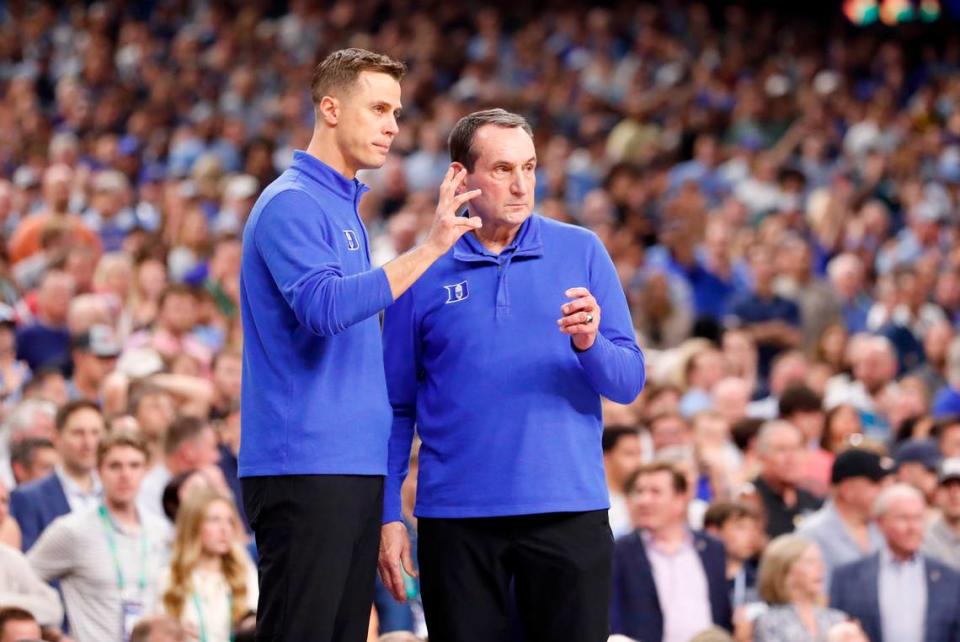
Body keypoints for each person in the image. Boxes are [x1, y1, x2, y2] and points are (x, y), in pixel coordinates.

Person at [239, 48, 481, 642]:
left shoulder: (344, 204)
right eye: (377, 108)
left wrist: (383, 505)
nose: (392, 125)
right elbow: (323, 309)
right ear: (329, 108)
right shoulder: (292, 202)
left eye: (395, 112)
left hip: (346, 469)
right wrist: (430, 250)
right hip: (304, 466)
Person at [378, 108, 644, 642]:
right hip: (456, 521)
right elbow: (393, 407)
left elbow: (628, 380)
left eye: (530, 167)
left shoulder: (582, 250)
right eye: (502, 169)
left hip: (569, 511)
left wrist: (591, 344)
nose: (522, 185)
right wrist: (388, 515)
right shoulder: (419, 270)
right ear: (461, 177)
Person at [28, 429, 170, 642]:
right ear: (99, 471)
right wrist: (52, 631)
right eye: (115, 466)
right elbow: (20, 580)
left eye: (134, 465)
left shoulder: (160, 531)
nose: (125, 475)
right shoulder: (73, 529)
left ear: (146, 470)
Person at [610, 462, 731, 642]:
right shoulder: (620, 551)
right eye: (639, 492)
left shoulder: (712, 547)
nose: (644, 500)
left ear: (680, 499)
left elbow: (721, 608)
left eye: (655, 492)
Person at [830, 483, 960, 642]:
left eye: (918, 518)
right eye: (903, 518)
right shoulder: (848, 578)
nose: (912, 527)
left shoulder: (950, 579)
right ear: (880, 522)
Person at [157, 489, 258, 642]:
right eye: (214, 520)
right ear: (193, 525)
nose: (224, 529)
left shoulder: (244, 572)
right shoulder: (169, 577)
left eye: (230, 521)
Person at [10, 399, 105, 551]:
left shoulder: (116, 493)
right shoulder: (28, 498)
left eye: (95, 433)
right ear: (56, 437)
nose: (88, 443)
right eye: (78, 433)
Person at [797, 448, 889, 584]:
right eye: (874, 484)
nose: (882, 491)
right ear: (847, 489)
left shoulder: (883, 528)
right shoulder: (812, 533)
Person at [752, 535, 847, 642]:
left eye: (820, 561)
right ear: (785, 570)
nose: (821, 568)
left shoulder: (837, 619)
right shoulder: (769, 622)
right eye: (810, 562)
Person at [138, 416, 221, 520]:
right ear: (188, 452)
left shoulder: (206, 485)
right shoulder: (150, 491)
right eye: (212, 447)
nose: (217, 457)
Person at [752, 421, 822, 539]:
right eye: (781, 450)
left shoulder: (812, 499)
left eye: (797, 448)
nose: (791, 458)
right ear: (762, 456)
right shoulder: (750, 499)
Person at [603, 427, 645, 538]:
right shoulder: (600, 504)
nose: (639, 461)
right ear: (606, 457)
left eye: (640, 454)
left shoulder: (645, 499)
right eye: (629, 454)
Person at [922, 457, 960, 569]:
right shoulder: (923, 538)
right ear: (936, 493)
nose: (954, 494)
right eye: (947, 486)